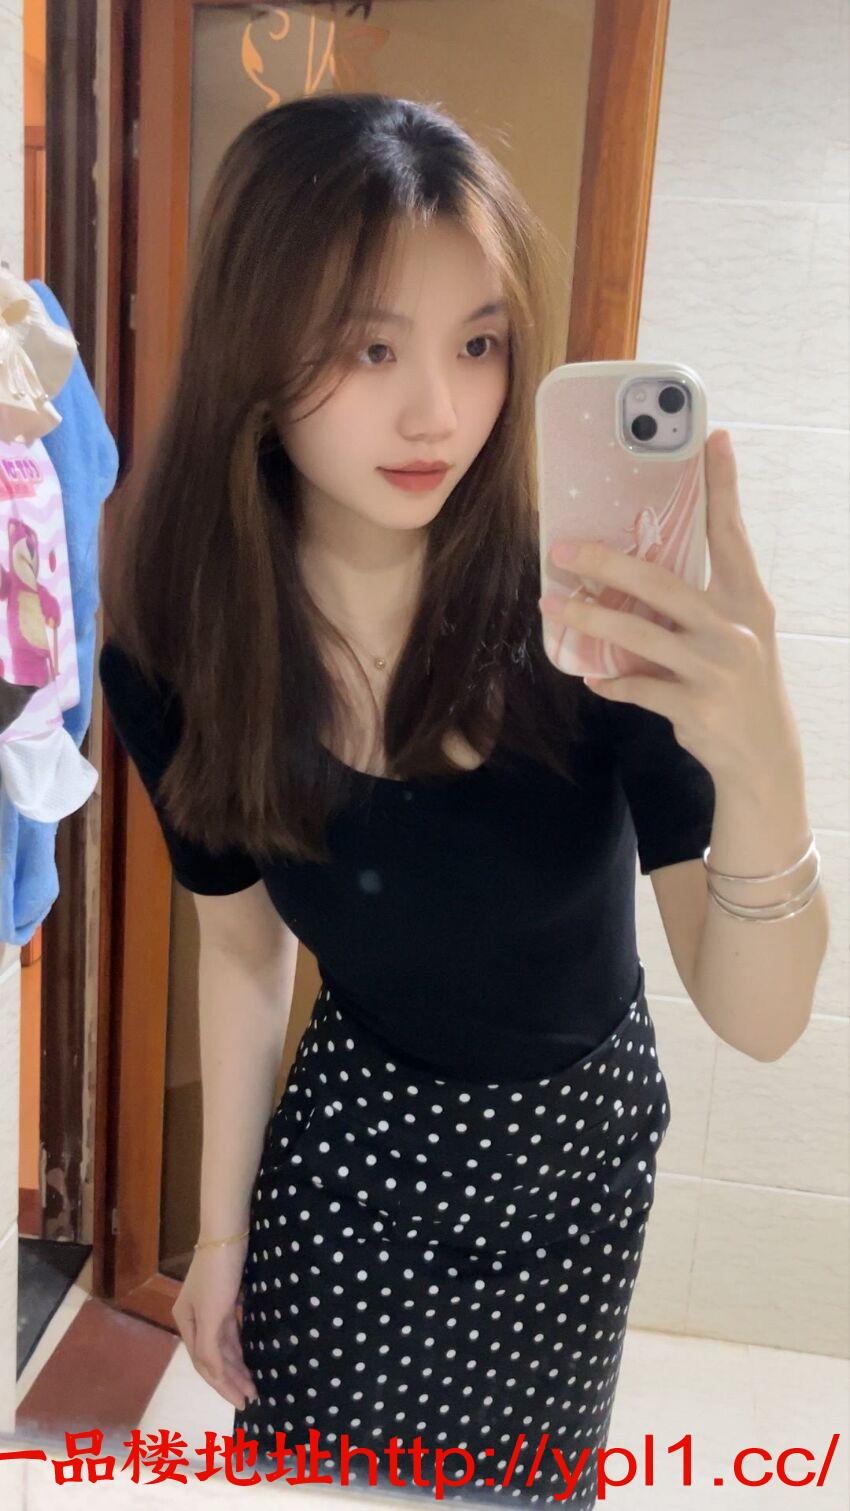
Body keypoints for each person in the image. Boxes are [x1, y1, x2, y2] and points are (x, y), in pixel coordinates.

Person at [98, 94, 719, 1507]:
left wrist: (750, 745)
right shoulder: (182, 645)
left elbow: (746, 984)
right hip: (356, 1163)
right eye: (369, 348)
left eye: (478, 344)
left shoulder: (582, 613)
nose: (437, 411)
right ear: (257, 345)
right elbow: (243, 948)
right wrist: (219, 1236)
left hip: (573, 1158)